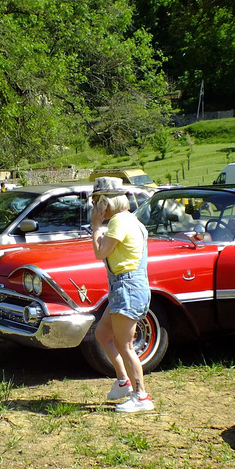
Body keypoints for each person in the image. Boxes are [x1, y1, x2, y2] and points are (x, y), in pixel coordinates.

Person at [89, 176, 155, 413]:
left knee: (125, 344)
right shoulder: (131, 220)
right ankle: (123, 382)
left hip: (127, 288)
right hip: (126, 287)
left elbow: (100, 252)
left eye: (97, 202)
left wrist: (96, 225)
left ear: (107, 202)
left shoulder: (118, 222)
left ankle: (141, 396)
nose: (95, 207)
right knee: (103, 333)